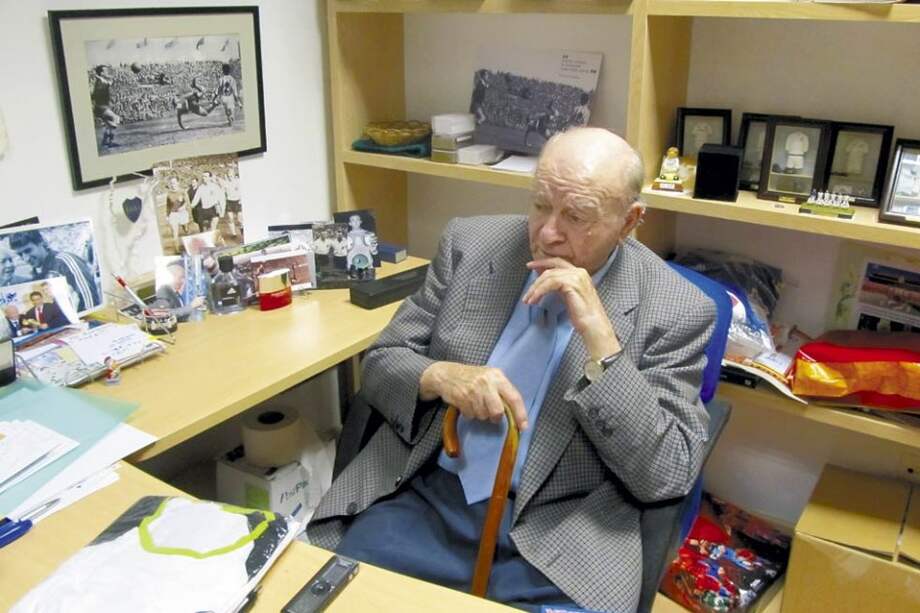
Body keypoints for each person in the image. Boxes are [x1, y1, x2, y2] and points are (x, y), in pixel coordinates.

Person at [307, 128, 716, 612]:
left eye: (576, 216)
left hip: (561, 532)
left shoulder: (677, 308)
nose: (547, 232)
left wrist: (603, 344)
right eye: (540, 204)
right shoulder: (472, 245)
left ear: (629, 222)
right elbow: (382, 362)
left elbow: (664, 473)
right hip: (429, 497)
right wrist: (441, 376)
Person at [9, 230, 100, 312]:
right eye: (20, 254)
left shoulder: (65, 261)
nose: (26, 258)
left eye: (28, 250)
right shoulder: (36, 274)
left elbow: (90, 298)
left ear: (41, 243)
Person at [90, 65, 120, 149]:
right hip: (101, 107)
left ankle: (107, 142)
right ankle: (108, 135)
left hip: (103, 107)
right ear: (101, 73)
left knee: (108, 126)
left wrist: (108, 84)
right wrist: (107, 85)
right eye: (105, 71)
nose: (107, 72)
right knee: (115, 119)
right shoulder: (99, 82)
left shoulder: (102, 81)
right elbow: (95, 94)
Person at [165, 176, 192, 252]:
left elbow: (187, 202)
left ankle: (190, 246)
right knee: (174, 232)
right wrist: (167, 216)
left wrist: (183, 207)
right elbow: (168, 206)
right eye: (171, 183)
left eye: (174, 182)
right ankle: (177, 250)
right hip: (173, 214)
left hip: (183, 213)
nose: (172, 184)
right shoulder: (169, 193)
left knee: (186, 230)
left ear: (177, 182)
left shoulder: (182, 191)